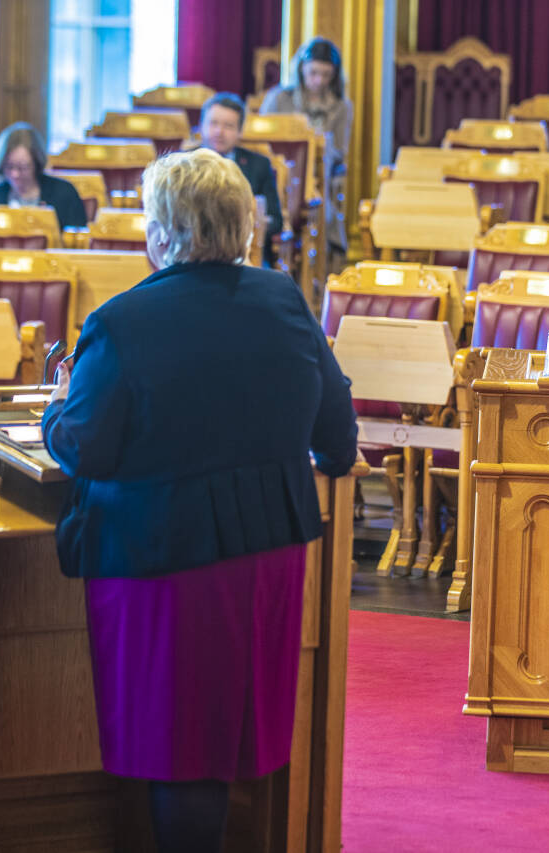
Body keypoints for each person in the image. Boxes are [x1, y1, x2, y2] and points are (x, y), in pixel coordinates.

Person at [41, 148, 357, 851]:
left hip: (164, 558)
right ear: (242, 226)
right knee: (230, 736)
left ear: (161, 233)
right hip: (268, 556)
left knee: (179, 747)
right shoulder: (285, 301)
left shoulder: (122, 322)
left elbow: (83, 445)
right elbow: (337, 435)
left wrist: (54, 407)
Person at [260, 37, 353, 252]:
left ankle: (320, 254)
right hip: (276, 171)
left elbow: (340, 150)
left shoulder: (341, 106)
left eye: (326, 75)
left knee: (318, 199)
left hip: (317, 174)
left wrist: (319, 144)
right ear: (301, 70)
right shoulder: (279, 98)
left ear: (334, 75)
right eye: (313, 73)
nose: (319, 80)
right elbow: (261, 139)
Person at [199, 92, 283, 242]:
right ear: (201, 125)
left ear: (240, 131)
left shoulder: (259, 165)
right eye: (213, 123)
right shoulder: (183, 163)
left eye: (228, 126)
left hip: (245, 246)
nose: (219, 132)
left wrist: (252, 224)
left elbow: (276, 221)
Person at [0, 122, 88, 229]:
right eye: (9, 166)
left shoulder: (64, 193)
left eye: (22, 167)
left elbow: (77, 239)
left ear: (37, 163)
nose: (15, 174)